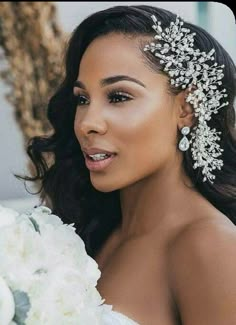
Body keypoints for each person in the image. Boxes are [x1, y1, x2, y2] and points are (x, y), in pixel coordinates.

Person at [16, 5, 236, 325]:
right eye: (82, 99)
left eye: (118, 96)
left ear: (186, 109)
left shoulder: (211, 247)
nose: (87, 123)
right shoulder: (95, 229)